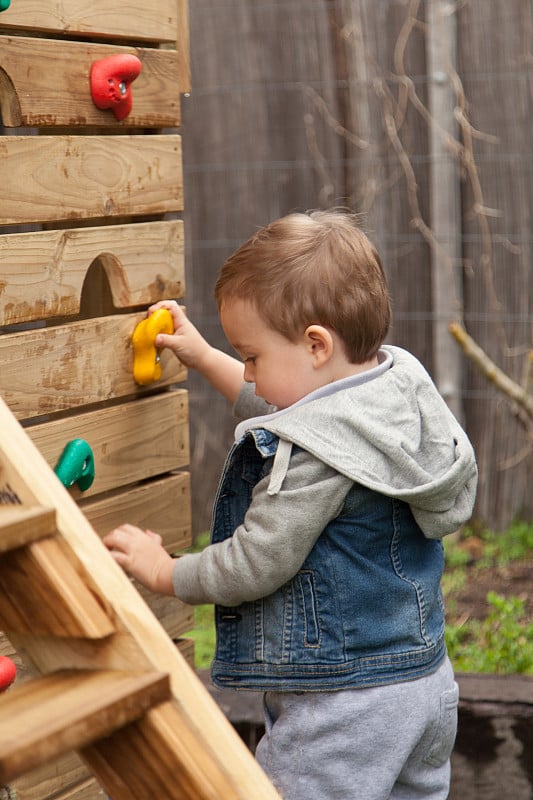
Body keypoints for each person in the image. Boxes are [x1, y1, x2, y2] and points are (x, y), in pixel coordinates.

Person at [104, 209, 478, 800]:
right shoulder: (389, 387)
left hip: (344, 708)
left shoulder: (317, 458)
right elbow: (289, 407)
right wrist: (205, 356)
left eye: (251, 356)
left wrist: (164, 571)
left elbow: (256, 561)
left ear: (315, 344)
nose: (249, 371)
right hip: (424, 685)